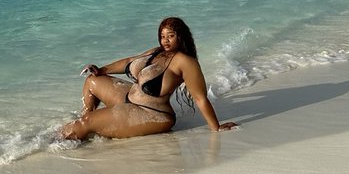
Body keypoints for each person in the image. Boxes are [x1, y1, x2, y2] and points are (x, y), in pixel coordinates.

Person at [61, 16, 237, 142]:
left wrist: (216, 127)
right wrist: (101, 70)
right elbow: (129, 62)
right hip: (129, 99)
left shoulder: (185, 62)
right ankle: (84, 129)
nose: (165, 40)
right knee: (92, 81)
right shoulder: (157, 52)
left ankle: (56, 142)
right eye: (162, 36)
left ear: (180, 36)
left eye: (170, 36)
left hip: (152, 114)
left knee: (85, 123)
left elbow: (200, 98)